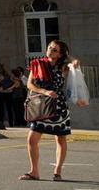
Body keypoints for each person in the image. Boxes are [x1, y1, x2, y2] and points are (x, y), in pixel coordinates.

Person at [19, 40, 76, 182]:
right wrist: (44, 91)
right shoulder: (37, 63)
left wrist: (68, 57)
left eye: (55, 50)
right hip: (41, 105)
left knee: (60, 139)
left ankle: (57, 171)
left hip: (59, 106)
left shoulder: (63, 66)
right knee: (31, 139)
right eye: (50, 48)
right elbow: (29, 84)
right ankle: (34, 172)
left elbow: (76, 62)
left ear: (61, 54)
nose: (50, 50)